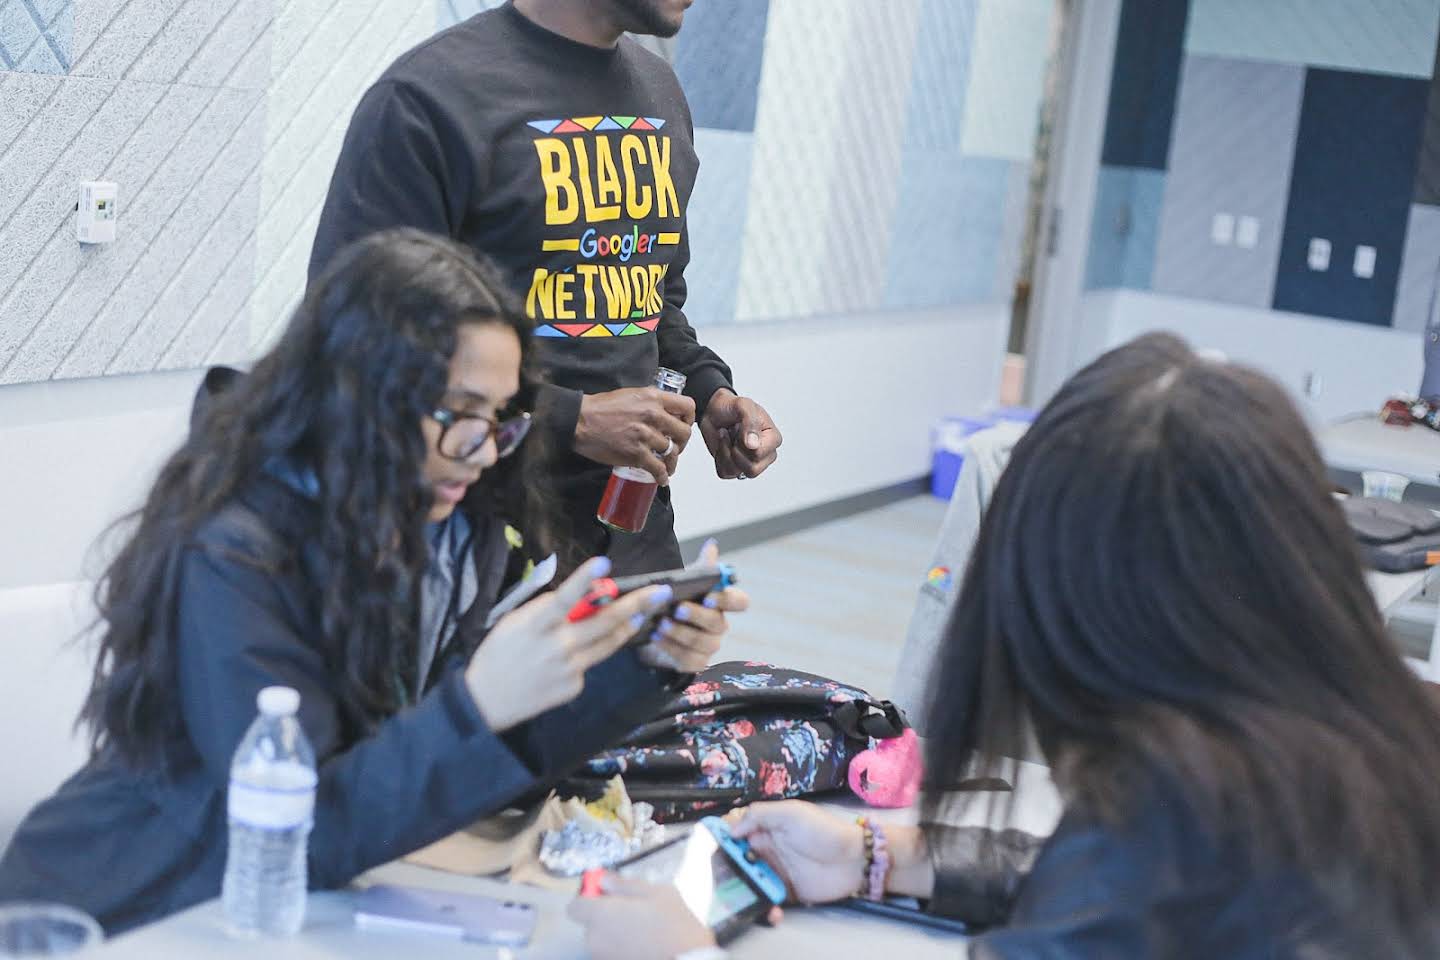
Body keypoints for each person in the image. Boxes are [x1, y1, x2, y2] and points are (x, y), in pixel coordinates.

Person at [569, 332, 1440, 958]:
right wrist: (881, 857)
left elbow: (1122, 896)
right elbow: (1134, 880)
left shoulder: (1161, 830)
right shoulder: (1370, 747)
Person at [0, 230, 747, 934]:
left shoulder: (455, 534)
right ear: (359, 394)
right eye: (457, 414)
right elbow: (306, 830)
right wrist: (477, 704)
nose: (483, 450)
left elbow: (467, 769)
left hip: (276, 904)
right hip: (121, 912)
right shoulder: (236, 557)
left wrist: (643, 668)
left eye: (499, 418)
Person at [307, 0, 782, 577]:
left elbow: (653, 300)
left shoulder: (660, 92)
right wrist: (569, 420)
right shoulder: (430, 100)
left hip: (631, 535)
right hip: (472, 540)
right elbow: (352, 345)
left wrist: (708, 393)